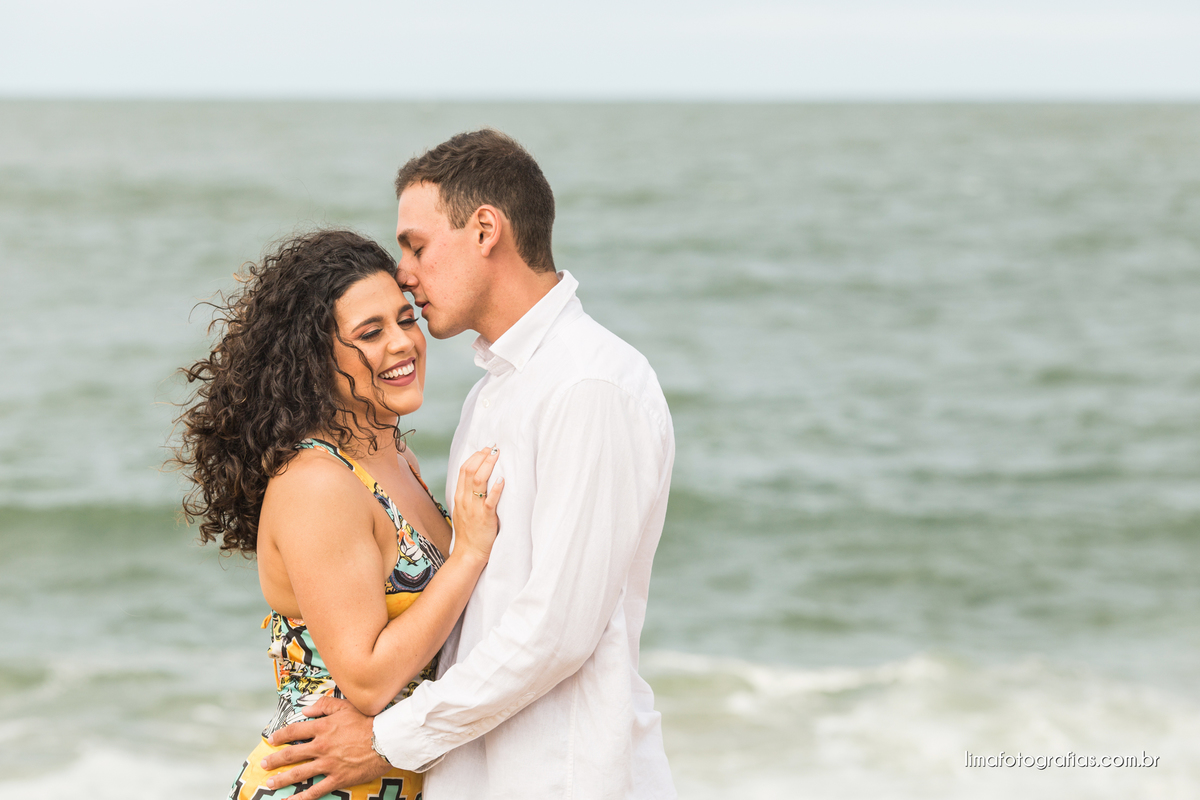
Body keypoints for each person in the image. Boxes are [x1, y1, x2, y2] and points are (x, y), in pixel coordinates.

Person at [261, 130, 678, 798]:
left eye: (417, 246)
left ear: (485, 229)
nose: (405, 271)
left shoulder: (589, 387)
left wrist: (388, 741)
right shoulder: (492, 394)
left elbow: (557, 630)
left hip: (559, 777)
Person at [173, 229, 505, 800]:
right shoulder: (317, 483)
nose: (403, 344)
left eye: (406, 320)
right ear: (313, 358)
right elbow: (369, 680)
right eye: (370, 333)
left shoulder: (394, 454)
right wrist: (470, 552)